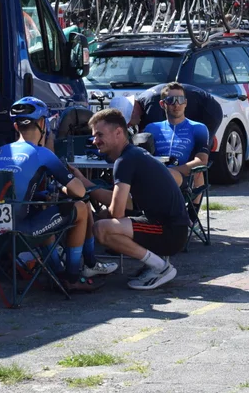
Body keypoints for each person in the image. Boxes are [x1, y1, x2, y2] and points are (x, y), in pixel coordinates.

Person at [0, 97, 117, 291]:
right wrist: (71, 182)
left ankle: (57, 271)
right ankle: (73, 277)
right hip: (19, 234)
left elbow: (13, 193)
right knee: (81, 208)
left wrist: (43, 193)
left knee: (42, 209)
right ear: (42, 123)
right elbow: (80, 191)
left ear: (16, 127)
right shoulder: (42, 153)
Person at [73, 108, 190, 291]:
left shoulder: (125, 161)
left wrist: (95, 215)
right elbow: (124, 202)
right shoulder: (133, 154)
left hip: (170, 232)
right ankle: (155, 262)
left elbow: (117, 212)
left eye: (99, 135)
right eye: (94, 136)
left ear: (118, 132)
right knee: (103, 221)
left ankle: (160, 267)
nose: (95, 141)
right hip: (173, 228)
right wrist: (84, 182)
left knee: (102, 229)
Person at [142, 83, 210, 198]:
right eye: (171, 100)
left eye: (180, 100)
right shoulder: (151, 128)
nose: (176, 104)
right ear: (162, 104)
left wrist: (168, 171)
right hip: (153, 177)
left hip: (182, 177)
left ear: (186, 103)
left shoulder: (198, 127)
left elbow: (201, 161)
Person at [128, 82, 223, 139]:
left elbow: (156, 134)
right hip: (194, 107)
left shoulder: (151, 105)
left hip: (210, 111)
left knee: (197, 148)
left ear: (132, 112)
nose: (131, 125)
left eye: (129, 123)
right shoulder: (143, 100)